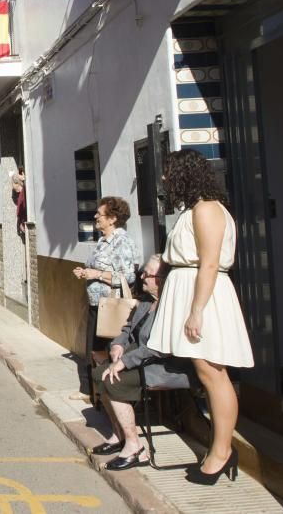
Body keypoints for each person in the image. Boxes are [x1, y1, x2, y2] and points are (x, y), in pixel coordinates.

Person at [146, 149, 254, 485]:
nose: (164, 178)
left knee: (213, 374)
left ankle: (222, 451)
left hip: (204, 296)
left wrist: (196, 310)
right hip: (194, 291)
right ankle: (218, 448)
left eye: (169, 172)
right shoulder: (195, 209)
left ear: (183, 174)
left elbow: (208, 262)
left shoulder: (207, 209)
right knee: (207, 373)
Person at [92, 255, 193, 470]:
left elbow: (161, 348)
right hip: (140, 360)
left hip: (165, 367)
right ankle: (118, 434)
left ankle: (135, 447)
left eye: (147, 274)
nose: (142, 276)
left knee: (113, 381)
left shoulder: (173, 307)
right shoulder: (146, 302)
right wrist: (118, 345)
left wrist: (125, 362)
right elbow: (128, 328)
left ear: (163, 279)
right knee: (97, 374)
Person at [72, 196, 141, 378]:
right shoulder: (103, 241)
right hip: (98, 304)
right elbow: (98, 267)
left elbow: (129, 277)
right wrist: (85, 271)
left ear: (112, 219)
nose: (95, 216)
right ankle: (94, 392)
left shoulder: (122, 242)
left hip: (112, 306)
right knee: (95, 350)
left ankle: (104, 392)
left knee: (106, 349)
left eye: (100, 214)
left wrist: (97, 275)